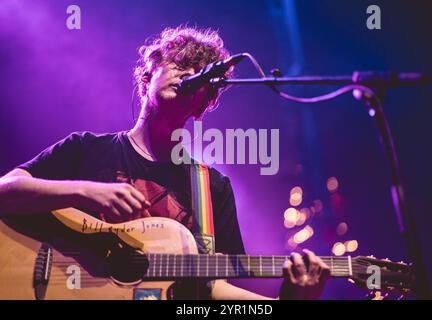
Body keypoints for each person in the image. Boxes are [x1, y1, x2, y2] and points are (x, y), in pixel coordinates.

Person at [0, 26, 329, 300]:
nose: (190, 74)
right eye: (179, 64)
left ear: (202, 107)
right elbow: (6, 190)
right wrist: (83, 192)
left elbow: (213, 290)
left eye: (201, 76)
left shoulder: (212, 187)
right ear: (146, 79)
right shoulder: (84, 149)